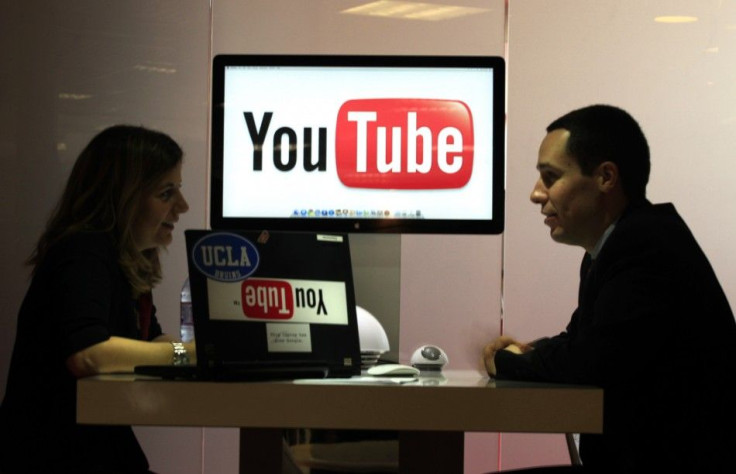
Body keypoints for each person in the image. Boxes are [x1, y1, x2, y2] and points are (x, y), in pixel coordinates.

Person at [482, 105, 736, 473]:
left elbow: (590, 361)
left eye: (550, 177)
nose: (536, 195)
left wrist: (509, 361)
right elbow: (587, 342)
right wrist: (529, 350)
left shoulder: (645, 246)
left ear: (605, 177)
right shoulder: (620, 245)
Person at [0, 125, 193, 473]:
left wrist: (191, 355)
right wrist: (186, 355)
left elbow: (150, 341)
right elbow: (88, 354)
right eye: (167, 193)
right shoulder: (84, 253)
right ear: (124, 197)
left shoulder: (122, 258)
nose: (182, 206)